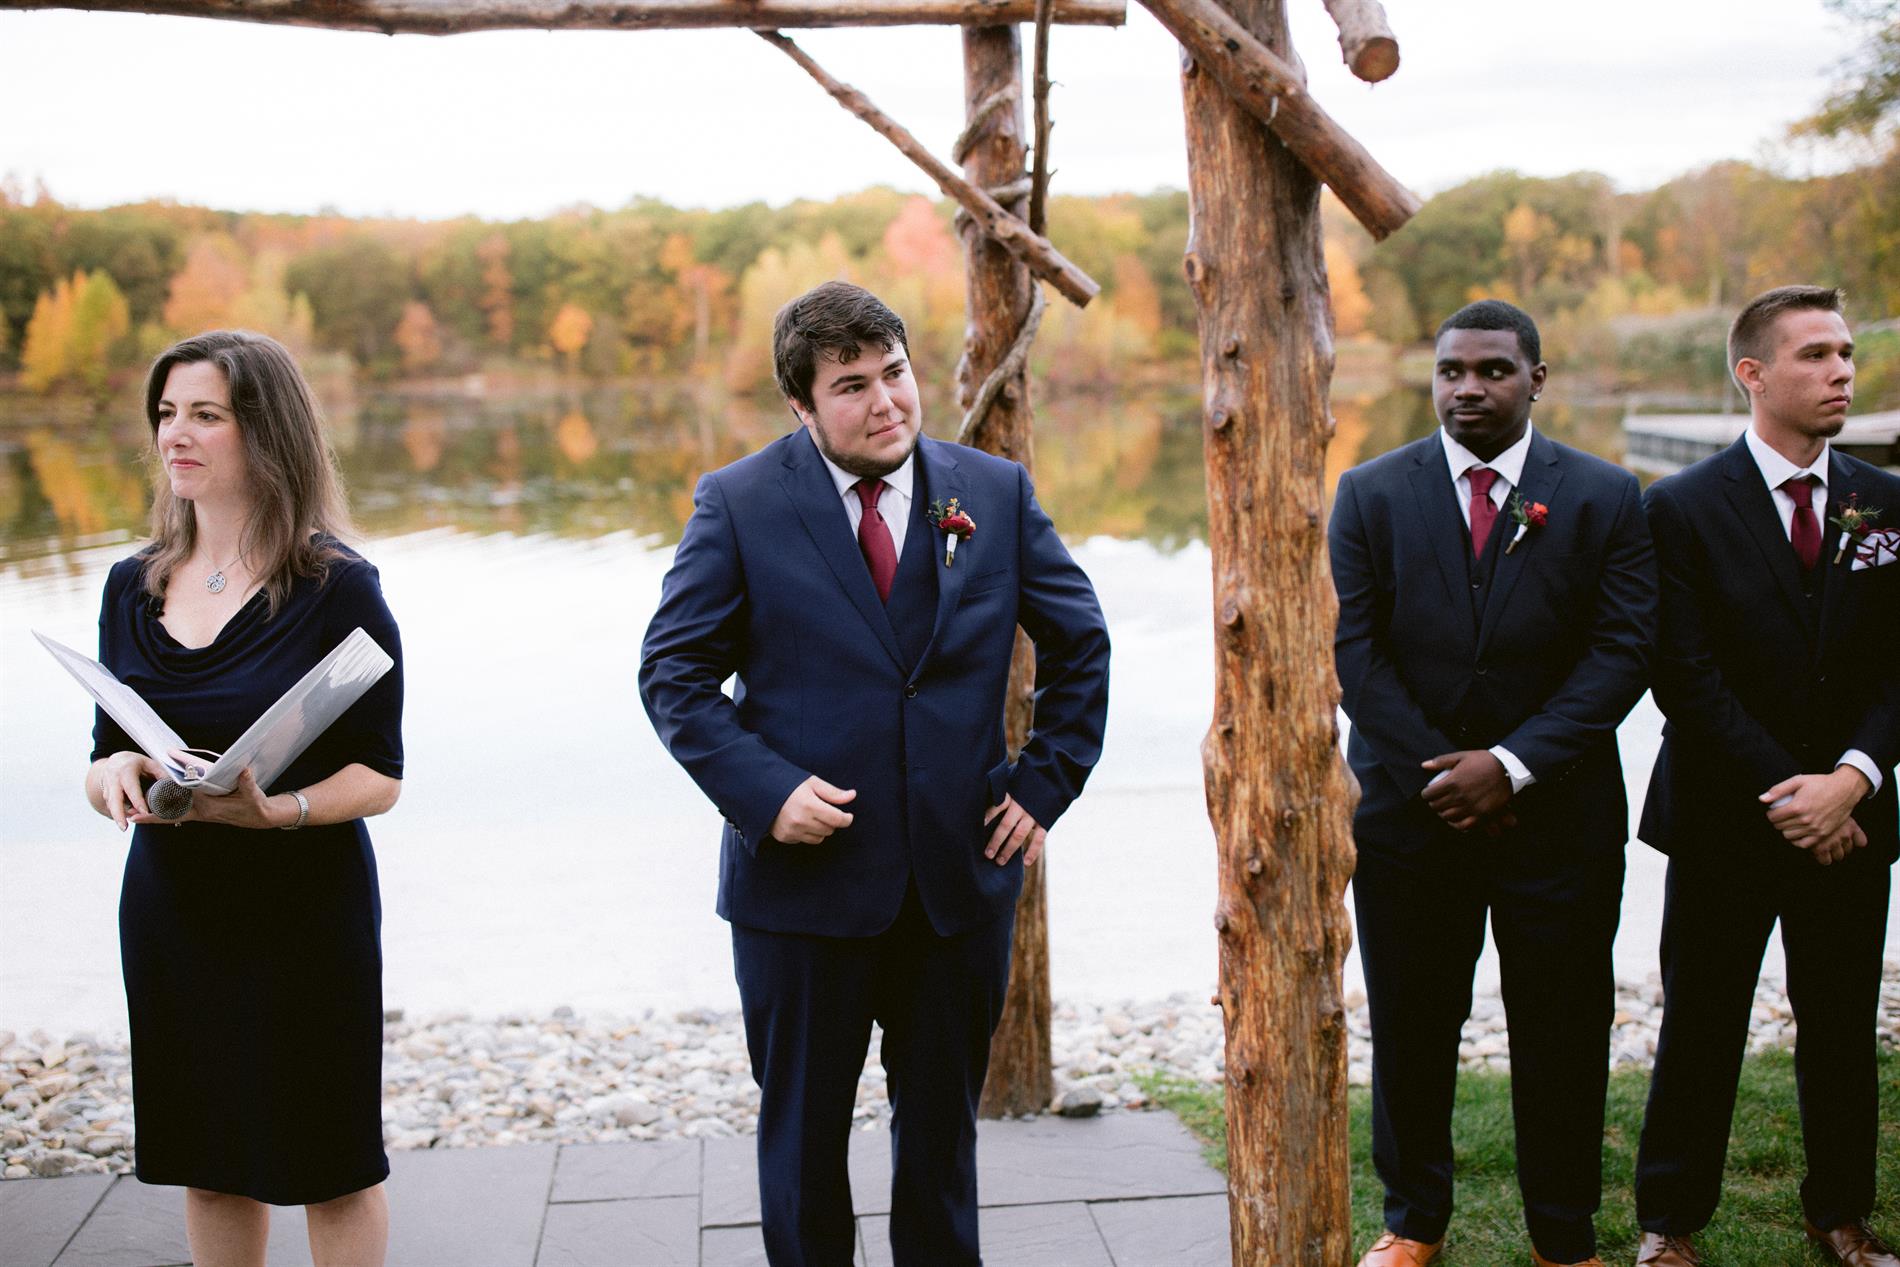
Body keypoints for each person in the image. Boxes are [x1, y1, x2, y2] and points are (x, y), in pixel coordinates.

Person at [639, 281, 1110, 1265]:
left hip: (958, 881)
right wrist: (766, 791)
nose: (886, 401)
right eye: (851, 386)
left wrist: (1044, 783)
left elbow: (1081, 644)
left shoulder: (993, 492)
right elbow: (673, 674)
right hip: (802, 893)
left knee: (941, 1148)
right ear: (801, 406)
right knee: (803, 1148)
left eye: (893, 372)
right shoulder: (739, 502)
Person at [1328, 300, 1656, 1267]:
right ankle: (1412, 1220)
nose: (1468, 388)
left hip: (1559, 817)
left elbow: (1622, 651)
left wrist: (1511, 766)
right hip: (1408, 815)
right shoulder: (1369, 492)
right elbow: (1353, 652)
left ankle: (1564, 1234)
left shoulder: (1604, 495)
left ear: (1536, 380)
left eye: (1493, 370)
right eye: (1452, 371)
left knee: (1565, 1027)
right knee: (1412, 1024)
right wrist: (1441, 773)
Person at [85, 330, 404, 1267]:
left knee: (331, 1164)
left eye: (204, 415)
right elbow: (102, 756)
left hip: (303, 913)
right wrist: (117, 779)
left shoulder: (337, 587)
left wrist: (279, 811)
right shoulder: (129, 586)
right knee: (210, 1159)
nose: (174, 435)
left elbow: (381, 774)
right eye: (166, 413)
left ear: (265, 432)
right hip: (173, 909)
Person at [1633, 286, 1900, 1267]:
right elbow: (1682, 673)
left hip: (1854, 816)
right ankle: (1669, 1221)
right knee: (1701, 1022)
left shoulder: (1887, 501)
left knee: (1841, 1023)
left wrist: (1853, 779)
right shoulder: (1677, 508)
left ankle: (1841, 1213)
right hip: (1723, 816)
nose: (1841, 372)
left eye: (1846, 354)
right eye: (1815, 355)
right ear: (1751, 373)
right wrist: (1797, 793)